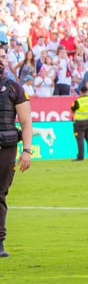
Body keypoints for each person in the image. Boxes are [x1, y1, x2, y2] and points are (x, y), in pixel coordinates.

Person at [0, 40, 33, 258]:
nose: (1, 59)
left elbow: (26, 121)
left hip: (6, 147)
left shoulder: (14, 88)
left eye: (3, 56)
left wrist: (27, 150)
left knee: (0, 193)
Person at [71, 84, 88, 161]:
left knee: (80, 140)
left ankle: (80, 156)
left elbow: (72, 110)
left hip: (79, 122)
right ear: (87, 92)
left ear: (80, 92)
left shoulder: (77, 101)